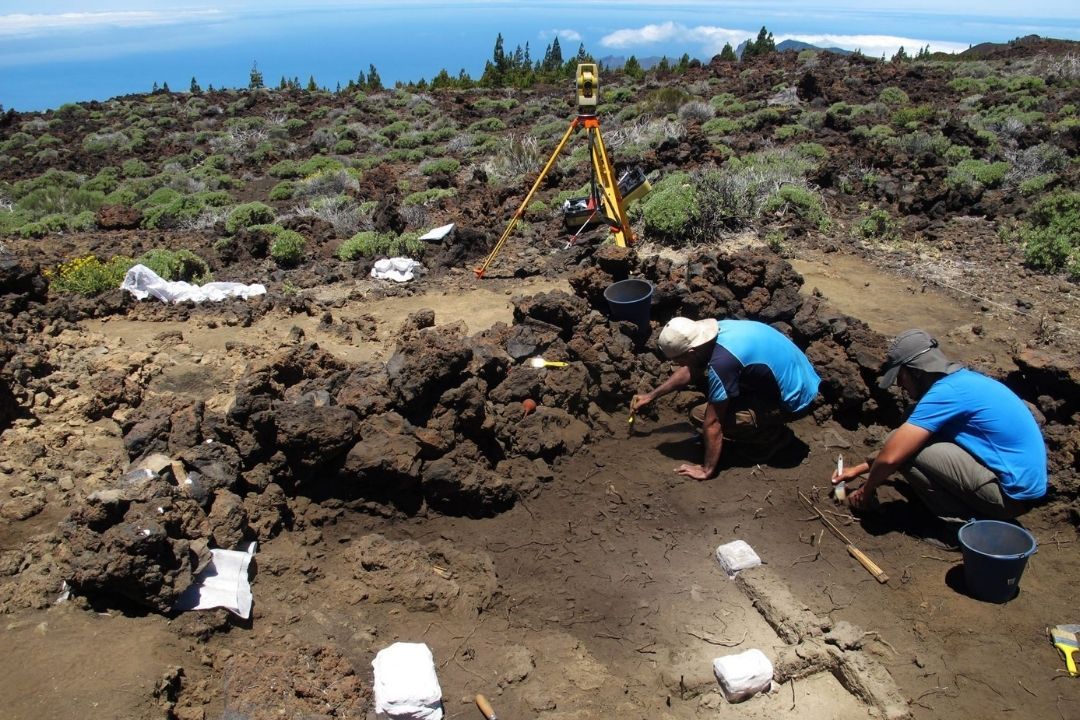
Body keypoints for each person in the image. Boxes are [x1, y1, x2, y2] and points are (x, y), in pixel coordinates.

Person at [834, 329, 1047, 537]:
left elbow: (892, 456)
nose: (899, 384)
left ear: (916, 371)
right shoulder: (965, 381)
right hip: (1019, 491)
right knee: (910, 430)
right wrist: (860, 469)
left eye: (901, 376)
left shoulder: (946, 394)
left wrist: (866, 491)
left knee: (903, 450)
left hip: (1008, 498)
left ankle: (965, 530)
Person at [631, 317, 821, 480]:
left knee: (701, 415)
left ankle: (772, 438)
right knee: (715, 400)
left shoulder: (723, 363)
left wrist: (707, 469)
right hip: (800, 375)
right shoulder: (715, 333)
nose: (677, 365)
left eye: (678, 360)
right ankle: (764, 419)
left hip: (795, 401)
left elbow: (713, 423)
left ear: (691, 352)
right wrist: (651, 396)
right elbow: (691, 369)